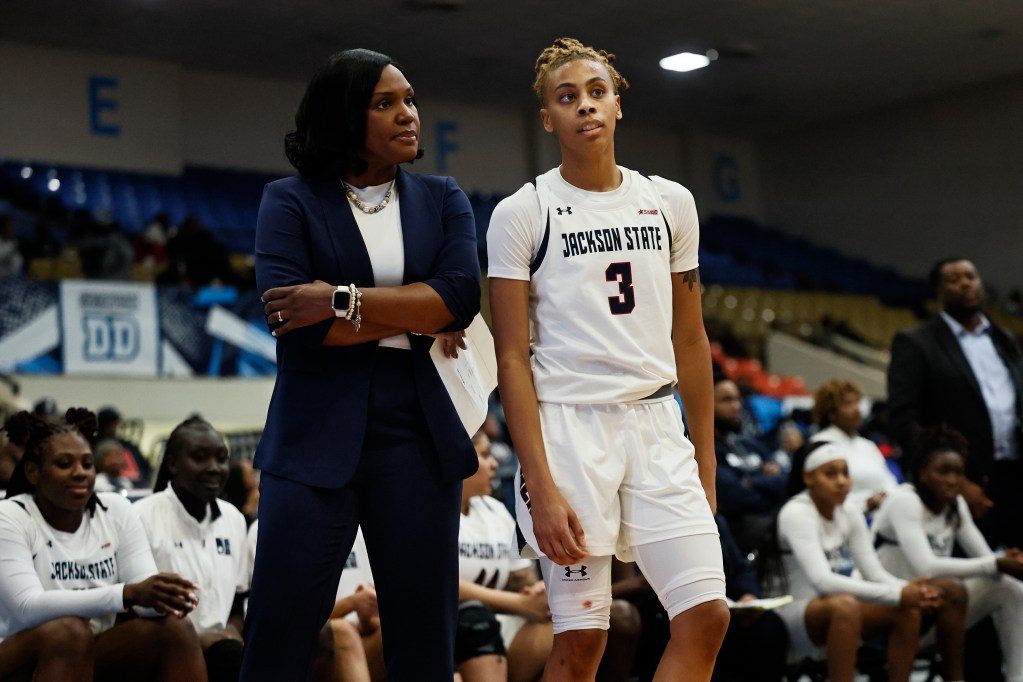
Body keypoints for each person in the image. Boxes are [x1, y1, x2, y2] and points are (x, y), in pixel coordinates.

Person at [487, 37, 729, 682]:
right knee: (581, 645)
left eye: (597, 93)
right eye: (568, 98)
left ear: (618, 105)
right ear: (548, 119)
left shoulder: (670, 202)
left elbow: (692, 339)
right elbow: (510, 357)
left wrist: (704, 458)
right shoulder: (522, 212)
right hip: (569, 432)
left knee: (707, 615)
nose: (585, 107)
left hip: (656, 426)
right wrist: (537, 481)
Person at [241, 47, 481, 681]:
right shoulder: (287, 202)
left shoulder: (442, 198)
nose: (409, 115)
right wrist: (417, 312)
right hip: (312, 431)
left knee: (425, 641)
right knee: (280, 631)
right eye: (385, 103)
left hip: (418, 430)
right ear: (345, 117)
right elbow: (299, 333)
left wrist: (339, 299)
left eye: (409, 100)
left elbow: (459, 299)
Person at [0, 408, 207, 681]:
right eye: (64, 464)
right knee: (69, 632)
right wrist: (129, 594)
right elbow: (29, 608)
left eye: (87, 464)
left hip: (89, 646)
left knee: (174, 629)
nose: (80, 473)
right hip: (18, 655)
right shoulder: (10, 516)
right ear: (33, 472)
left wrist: (163, 596)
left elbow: (143, 601)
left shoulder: (116, 510)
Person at [763, 441, 966, 682]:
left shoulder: (848, 509)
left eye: (845, 473)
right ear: (808, 477)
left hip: (835, 606)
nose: (841, 481)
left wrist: (909, 591)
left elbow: (873, 572)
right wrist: (898, 593)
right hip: (790, 614)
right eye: (830, 474)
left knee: (907, 607)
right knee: (847, 606)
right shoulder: (796, 512)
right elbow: (822, 581)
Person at [887, 257, 1023, 549]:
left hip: (1015, 475)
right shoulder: (916, 342)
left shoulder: (1005, 339)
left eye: (971, 276)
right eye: (954, 279)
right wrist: (951, 479)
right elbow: (902, 420)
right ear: (937, 291)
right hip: (962, 484)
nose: (966, 284)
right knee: (968, 581)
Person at [873, 426, 1023, 682]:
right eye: (943, 471)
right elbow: (926, 568)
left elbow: (985, 558)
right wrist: (998, 563)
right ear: (922, 473)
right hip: (888, 610)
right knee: (955, 586)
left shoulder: (956, 504)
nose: (953, 480)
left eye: (958, 473)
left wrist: (1010, 563)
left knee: (1009, 586)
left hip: (933, 608)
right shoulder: (904, 501)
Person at [134, 417, 249, 682]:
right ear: (172, 464)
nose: (214, 468)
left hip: (223, 646)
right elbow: (129, 609)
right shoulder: (141, 516)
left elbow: (237, 602)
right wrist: (198, 640)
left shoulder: (233, 518)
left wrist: (231, 630)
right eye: (200, 457)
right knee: (230, 657)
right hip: (162, 645)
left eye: (221, 458)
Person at [713, 374, 786, 553]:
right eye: (727, 400)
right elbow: (735, 497)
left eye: (738, 399)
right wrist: (768, 483)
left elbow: (786, 481)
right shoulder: (708, 452)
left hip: (770, 520)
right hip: (739, 531)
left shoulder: (749, 444)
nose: (737, 406)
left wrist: (754, 482)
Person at [810, 379, 899, 517]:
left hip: (884, 513)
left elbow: (889, 481)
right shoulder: (820, 444)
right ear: (831, 413)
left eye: (858, 402)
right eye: (848, 404)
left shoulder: (867, 445)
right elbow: (823, 494)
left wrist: (887, 495)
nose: (858, 409)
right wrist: (865, 504)